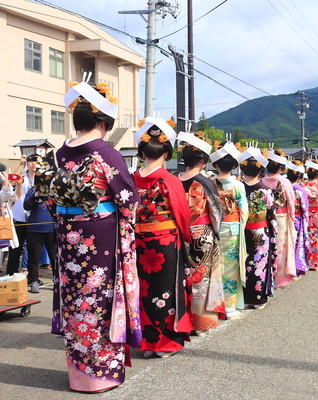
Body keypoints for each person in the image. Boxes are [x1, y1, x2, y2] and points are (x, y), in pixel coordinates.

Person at [47, 76, 141, 392]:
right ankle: (100, 375)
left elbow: (51, 198)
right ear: (102, 120)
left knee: (77, 302)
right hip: (99, 237)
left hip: (67, 237)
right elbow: (128, 198)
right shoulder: (104, 152)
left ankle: (79, 375)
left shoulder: (59, 154)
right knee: (99, 300)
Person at [133, 117, 192, 358]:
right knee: (166, 291)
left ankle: (147, 342)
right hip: (165, 242)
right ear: (166, 153)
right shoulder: (170, 180)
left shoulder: (131, 179)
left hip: (137, 241)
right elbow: (181, 214)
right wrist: (187, 238)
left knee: (143, 290)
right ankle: (165, 343)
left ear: (142, 152)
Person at [177, 131, 225, 334]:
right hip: (202, 233)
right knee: (202, 278)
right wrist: (216, 232)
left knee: (184, 276)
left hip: (179, 232)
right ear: (203, 161)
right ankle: (201, 322)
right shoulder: (206, 183)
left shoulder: (174, 180)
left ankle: (184, 319)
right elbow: (216, 212)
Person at [211, 142, 248, 319]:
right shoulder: (238, 185)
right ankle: (229, 307)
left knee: (216, 266)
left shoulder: (211, 183)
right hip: (232, 227)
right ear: (234, 166)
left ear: (216, 165)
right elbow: (244, 210)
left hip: (214, 226)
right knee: (231, 268)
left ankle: (216, 305)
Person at [240, 148, 276, 308]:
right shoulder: (266, 191)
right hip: (260, 231)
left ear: (242, 169)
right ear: (261, 171)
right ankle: (257, 298)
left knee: (242, 262)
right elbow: (271, 214)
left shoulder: (238, 188)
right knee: (259, 264)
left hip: (240, 230)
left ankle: (242, 297)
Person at [261, 150, 297, 287]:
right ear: (281, 168)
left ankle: (268, 275)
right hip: (281, 216)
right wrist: (292, 217)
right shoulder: (284, 181)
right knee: (281, 246)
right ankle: (280, 277)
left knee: (269, 245)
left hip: (266, 216)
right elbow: (291, 200)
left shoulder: (262, 181)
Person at [6, 155, 36, 276]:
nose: (34, 163)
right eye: (31, 161)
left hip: (35, 218)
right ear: (27, 163)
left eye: (36, 161)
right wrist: (21, 164)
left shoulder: (42, 179)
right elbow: (10, 181)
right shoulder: (22, 177)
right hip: (19, 217)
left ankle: (32, 277)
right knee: (15, 249)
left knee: (33, 251)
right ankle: (10, 275)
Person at [23, 185, 55, 293]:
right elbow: (26, 206)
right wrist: (34, 197)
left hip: (52, 229)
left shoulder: (55, 188)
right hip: (34, 229)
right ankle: (34, 281)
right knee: (33, 257)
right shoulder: (33, 189)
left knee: (55, 258)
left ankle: (57, 281)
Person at [286, 160, 310, 277]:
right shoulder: (300, 191)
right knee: (296, 245)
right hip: (298, 219)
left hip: (285, 218)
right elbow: (305, 208)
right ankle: (295, 269)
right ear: (300, 178)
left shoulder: (283, 188)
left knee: (286, 244)